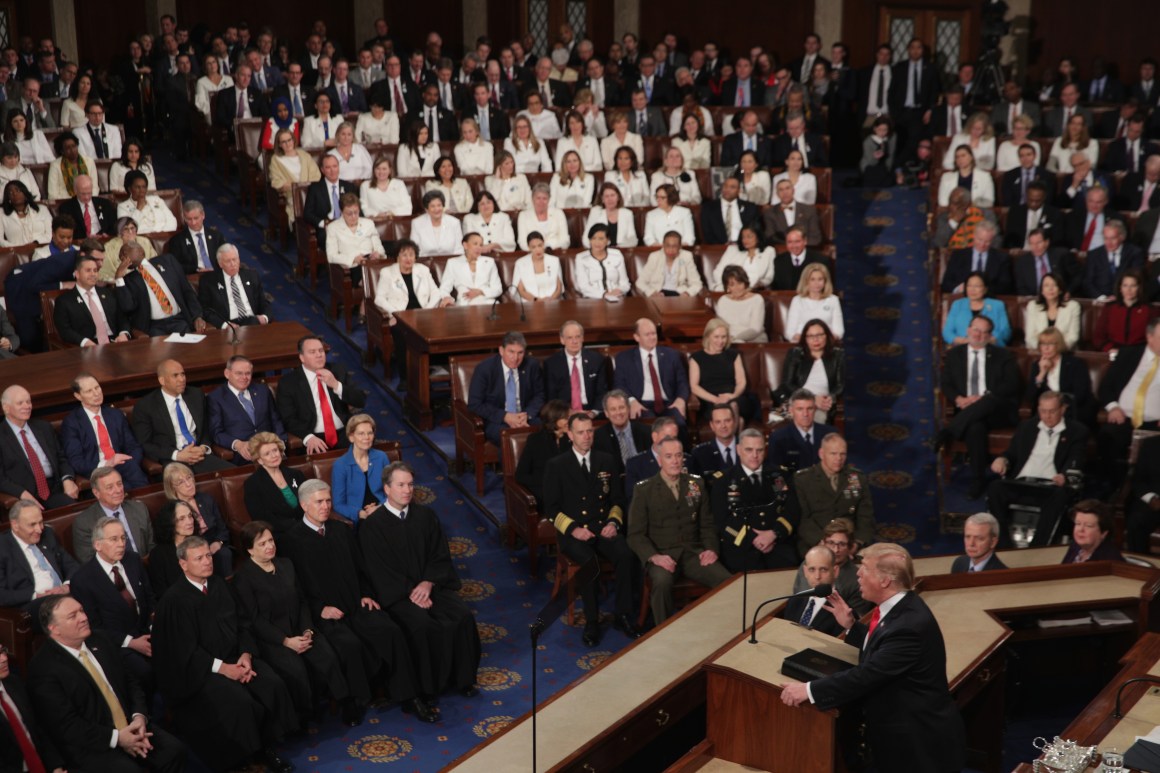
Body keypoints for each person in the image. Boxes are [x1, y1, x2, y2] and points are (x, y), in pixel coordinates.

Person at [780, 543, 966, 773]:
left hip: (917, 743)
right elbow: (882, 650)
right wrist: (851, 627)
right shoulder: (898, 610)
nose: (857, 573)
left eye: (864, 569)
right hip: (899, 733)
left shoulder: (909, 626)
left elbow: (867, 674)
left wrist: (808, 690)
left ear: (885, 580)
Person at [153, 536, 297, 773]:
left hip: (235, 658)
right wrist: (224, 668)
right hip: (203, 671)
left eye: (208, 555)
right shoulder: (174, 601)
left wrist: (245, 655)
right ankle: (250, 757)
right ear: (183, 564)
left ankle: (267, 745)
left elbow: (242, 624)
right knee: (240, 703)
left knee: (271, 682)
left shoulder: (219, 585)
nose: (207, 562)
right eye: (198, 558)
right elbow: (184, 651)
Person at [360, 462, 482, 699]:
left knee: (462, 616)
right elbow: (379, 570)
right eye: (401, 485)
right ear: (387, 489)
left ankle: (463, 679)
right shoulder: (372, 527)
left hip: (430, 586)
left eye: (411, 484)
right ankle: (428, 690)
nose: (407, 490)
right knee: (422, 626)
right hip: (398, 595)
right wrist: (412, 593)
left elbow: (439, 555)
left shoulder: (426, 516)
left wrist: (427, 583)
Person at [29, 595, 187, 773]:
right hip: (94, 745)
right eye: (73, 616)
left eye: (81, 610)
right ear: (54, 629)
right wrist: (117, 738)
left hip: (131, 726)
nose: (83, 617)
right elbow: (68, 726)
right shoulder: (43, 669)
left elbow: (131, 682)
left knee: (174, 751)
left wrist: (139, 717)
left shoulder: (100, 639)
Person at [233, 520, 362, 727]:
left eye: (271, 540)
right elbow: (254, 620)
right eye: (262, 544)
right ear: (249, 550)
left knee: (327, 656)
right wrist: (285, 641)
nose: (270, 546)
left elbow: (302, 601)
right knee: (296, 669)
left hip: (301, 629)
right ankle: (305, 716)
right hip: (274, 639)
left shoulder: (286, 565)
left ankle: (346, 702)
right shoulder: (243, 578)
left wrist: (308, 630)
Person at [543, 412, 638, 645]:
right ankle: (592, 621)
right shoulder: (556, 465)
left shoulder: (606, 460)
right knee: (589, 563)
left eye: (590, 431)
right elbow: (552, 510)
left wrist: (613, 523)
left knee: (626, 555)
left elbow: (617, 499)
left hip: (602, 528)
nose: (586, 436)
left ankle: (623, 614)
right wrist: (574, 529)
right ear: (570, 435)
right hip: (574, 533)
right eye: (581, 432)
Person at [628, 436, 730, 626]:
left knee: (727, 581)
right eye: (668, 456)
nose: (675, 461)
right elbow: (635, 535)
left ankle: (721, 629)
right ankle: (664, 634)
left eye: (678, 455)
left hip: (693, 553)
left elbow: (707, 524)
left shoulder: (696, 484)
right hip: (662, 554)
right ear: (659, 460)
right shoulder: (644, 490)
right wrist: (654, 557)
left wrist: (711, 549)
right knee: (661, 582)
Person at [987, 391, 1088, 548]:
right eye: (1043, 411)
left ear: (1063, 409)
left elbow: (1076, 460)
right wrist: (1002, 459)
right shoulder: (1027, 427)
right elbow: (1011, 453)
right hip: (1021, 482)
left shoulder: (1076, 431)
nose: (1047, 416)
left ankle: (1038, 547)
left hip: (1049, 487)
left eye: (1052, 411)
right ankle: (1003, 544)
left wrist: (1065, 475)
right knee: (995, 488)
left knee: (1061, 496)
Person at [935, 316, 1021, 499]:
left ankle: (948, 431)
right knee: (975, 428)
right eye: (976, 330)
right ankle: (978, 479)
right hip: (967, 410)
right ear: (968, 330)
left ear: (990, 336)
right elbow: (946, 383)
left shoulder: (1003, 355)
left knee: (989, 400)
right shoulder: (954, 354)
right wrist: (958, 399)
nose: (979, 335)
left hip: (997, 411)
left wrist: (981, 398)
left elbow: (1012, 385)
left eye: (984, 332)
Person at [68, 516, 156, 691]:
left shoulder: (133, 560)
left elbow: (150, 598)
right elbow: (93, 626)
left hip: (147, 631)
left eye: (123, 538)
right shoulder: (83, 579)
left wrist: (154, 626)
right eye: (114, 539)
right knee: (146, 672)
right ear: (97, 545)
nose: (121, 544)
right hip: (116, 644)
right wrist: (131, 642)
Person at [710, 427, 800, 571]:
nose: (755, 455)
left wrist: (774, 534)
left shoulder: (778, 476)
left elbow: (791, 508)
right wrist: (753, 538)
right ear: (738, 450)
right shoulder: (724, 481)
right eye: (749, 450)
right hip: (742, 548)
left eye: (759, 450)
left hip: (777, 544)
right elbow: (722, 519)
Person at [131, 359, 230, 474]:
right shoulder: (145, 406)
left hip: (199, 455)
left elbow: (206, 429)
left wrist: (203, 447)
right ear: (162, 380)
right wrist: (177, 455)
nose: (182, 379)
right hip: (172, 460)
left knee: (234, 475)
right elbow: (144, 444)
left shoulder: (196, 395)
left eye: (183, 374)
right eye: (175, 375)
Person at [1095, 319, 1160, 492]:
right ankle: (1113, 487)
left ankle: (1144, 493)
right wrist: (1113, 407)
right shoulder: (1128, 354)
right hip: (1123, 417)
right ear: (1150, 337)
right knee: (1107, 437)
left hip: (1155, 423)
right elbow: (1105, 387)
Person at [277, 335, 368, 455]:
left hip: (343, 432)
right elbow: (287, 418)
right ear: (302, 358)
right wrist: (308, 437)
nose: (319, 355)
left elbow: (360, 400)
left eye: (321, 351)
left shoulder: (337, 370)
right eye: (312, 352)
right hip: (312, 435)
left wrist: (336, 385)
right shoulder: (288, 382)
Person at [60, 373, 147, 490]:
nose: (96, 393)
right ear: (78, 396)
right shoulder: (72, 422)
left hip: (124, 466)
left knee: (133, 475)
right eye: (89, 391)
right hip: (96, 470)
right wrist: (106, 464)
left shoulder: (115, 414)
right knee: (127, 487)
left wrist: (130, 461)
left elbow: (133, 446)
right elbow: (76, 461)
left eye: (97, 388)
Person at [0, 385, 79, 509]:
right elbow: (1, 479)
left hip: (54, 489)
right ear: (6, 408)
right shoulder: (1, 436)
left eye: (28, 401)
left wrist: (67, 479)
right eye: (20, 403)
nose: (27, 406)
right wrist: (22, 494)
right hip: (24, 495)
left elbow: (61, 458)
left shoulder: (43, 427)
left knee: (73, 508)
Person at [467, 331, 545, 445]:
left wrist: (527, 415)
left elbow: (540, 395)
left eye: (520, 353)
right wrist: (505, 416)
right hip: (497, 420)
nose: (515, 358)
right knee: (510, 440)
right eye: (511, 352)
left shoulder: (532, 366)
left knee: (547, 434)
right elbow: (475, 404)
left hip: (525, 417)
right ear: (501, 350)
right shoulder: (485, 369)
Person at [0, 499, 77, 612]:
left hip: (64, 595)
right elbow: (2, 594)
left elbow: (72, 565)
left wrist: (67, 586)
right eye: (32, 525)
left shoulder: (47, 534)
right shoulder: (3, 547)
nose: (39, 529)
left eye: (40, 522)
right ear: (15, 525)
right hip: (34, 605)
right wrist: (36, 596)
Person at [206, 354, 285, 463]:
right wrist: (237, 444)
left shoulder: (263, 390)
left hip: (271, 451)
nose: (244, 378)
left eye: (248, 373)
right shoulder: (216, 398)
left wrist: (281, 443)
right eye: (239, 373)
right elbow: (216, 432)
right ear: (227, 373)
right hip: (243, 455)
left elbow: (276, 420)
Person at [72, 467, 154, 564]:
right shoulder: (84, 523)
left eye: (119, 484)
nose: (118, 490)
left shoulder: (139, 508)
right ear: (96, 493)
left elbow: (151, 546)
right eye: (110, 487)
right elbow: (90, 562)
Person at [614, 318, 689, 423]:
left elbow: (682, 382)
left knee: (679, 423)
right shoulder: (624, 358)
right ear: (637, 337)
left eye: (654, 334)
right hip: (641, 404)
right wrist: (631, 401)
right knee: (647, 426)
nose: (652, 337)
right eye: (647, 334)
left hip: (669, 403)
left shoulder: (672, 355)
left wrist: (681, 400)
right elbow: (619, 385)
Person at [689, 317, 757, 425]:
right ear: (708, 336)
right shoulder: (697, 358)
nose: (720, 341)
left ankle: (733, 434)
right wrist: (715, 399)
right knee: (738, 419)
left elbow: (741, 382)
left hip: (735, 398)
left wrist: (733, 395)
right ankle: (736, 432)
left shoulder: (734, 355)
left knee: (734, 405)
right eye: (716, 337)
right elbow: (694, 387)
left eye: (723, 337)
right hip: (710, 401)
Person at [53, 253, 131, 347]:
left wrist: (123, 333)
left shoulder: (108, 293)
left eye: (95, 270)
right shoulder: (64, 301)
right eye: (88, 270)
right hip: (87, 346)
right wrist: (84, 342)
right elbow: (64, 330)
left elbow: (122, 317)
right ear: (77, 274)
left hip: (115, 342)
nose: (93, 274)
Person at [1026, 327, 1095, 427]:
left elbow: (1080, 394)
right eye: (1043, 344)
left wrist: (1057, 408)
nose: (1046, 348)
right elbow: (1030, 397)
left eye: (1050, 344)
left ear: (1058, 345)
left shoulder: (1075, 364)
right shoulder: (1037, 365)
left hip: (1072, 411)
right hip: (1047, 414)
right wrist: (1041, 374)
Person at [242, 432, 306, 538]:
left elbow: (309, 500)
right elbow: (261, 517)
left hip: (306, 525)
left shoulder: (296, 474)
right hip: (280, 533)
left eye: (275, 450)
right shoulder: (252, 484)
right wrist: (296, 526)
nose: (274, 455)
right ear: (259, 460)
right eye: (267, 454)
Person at [543, 321, 609, 415]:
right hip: (565, 413)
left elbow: (602, 392)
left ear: (582, 338)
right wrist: (567, 413)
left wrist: (593, 412)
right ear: (562, 340)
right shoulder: (551, 364)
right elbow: (552, 397)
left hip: (591, 411)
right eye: (570, 338)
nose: (574, 341)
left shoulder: (597, 360)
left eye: (577, 337)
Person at [939, 220, 1012, 296]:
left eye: (987, 241)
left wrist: (982, 289)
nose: (982, 244)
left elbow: (1006, 287)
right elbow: (946, 284)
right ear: (974, 236)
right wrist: (958, 288)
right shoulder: (958, 256)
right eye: (979, 240)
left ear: (992, 241)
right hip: (961, 297)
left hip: (989, 299)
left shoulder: (1001, 258)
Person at [1094, 270, 1157, 352]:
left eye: (1133, 286)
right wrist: (1110, 349)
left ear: (1139, 288)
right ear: (1120, 288)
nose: (1129, 289)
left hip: (1139, 354)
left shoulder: (1150, 310)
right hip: (1113, 353)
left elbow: (1155, 338)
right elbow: (1098, 337)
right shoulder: (1110, 308)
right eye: (1125, 285)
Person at [942, 272, 1011, 347]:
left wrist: (989, 339)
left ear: (985, 289)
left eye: (977, 286)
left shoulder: (997, 305)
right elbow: (947, 332)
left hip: (991, 347)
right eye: (969, 286)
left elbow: (1005, 332)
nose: (972, 290)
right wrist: (963, 341)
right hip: (962, 347)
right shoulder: (958, 305)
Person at [1082, 220, 1144, 299]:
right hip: (1100, 300)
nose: (1109, 243)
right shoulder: (1094, 255)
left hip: (1125, 299)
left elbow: (1137, 279)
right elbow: (1087, 282)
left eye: (1113, 238)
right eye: (1106, 238)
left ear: (1122, 237)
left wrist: (1119, 297)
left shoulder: (1134, 253)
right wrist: (1102, 297)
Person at [1023, 269, 1081, 351]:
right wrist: (1044, 350)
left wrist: (1055, 350)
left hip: (1064, 352)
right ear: (1042, 291)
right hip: (1038, 352)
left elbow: (1073, 337)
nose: (1050, 289)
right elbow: (1030, 337)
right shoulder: (1033, 306)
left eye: (1054, 285)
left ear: (1060, 290)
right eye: (1046, 285)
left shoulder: (1073, 307)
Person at [786, 264, 844, 342]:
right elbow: (789, 333)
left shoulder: (833, 300)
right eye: (812, 279)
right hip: (802, 343)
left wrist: (823, 340)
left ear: (825, 281)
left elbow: (839, 331)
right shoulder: (797, 300)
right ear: (806, 281)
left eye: (820, 279)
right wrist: (807, 340)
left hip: (827, 343)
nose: (817, 283)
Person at [635, 231, 702, 298]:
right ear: (663, 245)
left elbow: (697, 283)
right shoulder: (654, 257)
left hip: (679, 295)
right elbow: (640, 282)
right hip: (658, 294)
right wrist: (652, 292)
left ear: (680, 246)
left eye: (674, 246)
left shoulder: (686, 256)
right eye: (668, 246)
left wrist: (687, 293)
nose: (671, 249)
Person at [1124, 435, 1160, 554]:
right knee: (1137, 521)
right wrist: (1151, 498)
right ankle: (1140, 564)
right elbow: (1138, 479)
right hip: (1154, 501)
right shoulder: (1150, 444)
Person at [764, 178, 823, 247]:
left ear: (793, 190)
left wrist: (799, 245)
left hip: (806, 249)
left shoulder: (809, 210)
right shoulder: (770, 213)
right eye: (781, 190)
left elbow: (816, 237)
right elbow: (770, 236)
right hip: (782, 250)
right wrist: (791, 245)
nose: (785, 192)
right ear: (777, 194)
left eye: (787, 188)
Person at [715, 265, 767, 343]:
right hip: (728, 340)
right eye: (732, 285)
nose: (737, 288)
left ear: (745, 283)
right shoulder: (723, 301)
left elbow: (755, 329)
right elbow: (721, 327)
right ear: (727, 287)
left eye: (739, 283)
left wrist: (735, 339)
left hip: (753, 340)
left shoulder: (757, 299)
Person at [58, 174, 118, 240]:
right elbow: (67, 232)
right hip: (82, 243)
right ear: (75, 190)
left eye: (89, 193)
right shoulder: (66, 208)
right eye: (83, 194)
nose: (86, 197)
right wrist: (86, 238)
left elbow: (114, 225)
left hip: (103, 241)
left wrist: (107, 235)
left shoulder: (105, 204)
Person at [410, 190, 465, 258]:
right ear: (426, 209)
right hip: (425, 263)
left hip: (451, 263)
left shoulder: (454, 222)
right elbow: (415, 250)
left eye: (439, 205)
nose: (437, 209)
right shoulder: (417, 223)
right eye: (432, 206)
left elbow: (459, 249)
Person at [584, 183, 639, 248]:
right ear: (602, 199)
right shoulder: (595, 212)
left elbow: (633, 239)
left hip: (621, 251)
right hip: (600, 251)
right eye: (606, 196)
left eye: (612, 195)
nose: (610, 199)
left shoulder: (627, 213)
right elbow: (586, 239)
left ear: (618, 197)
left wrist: (620, 247)